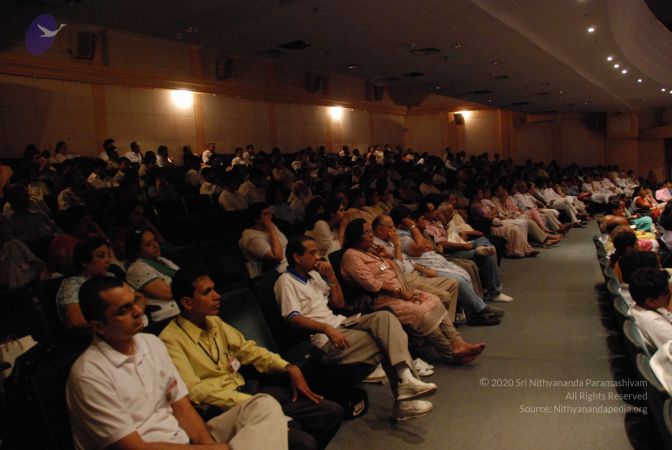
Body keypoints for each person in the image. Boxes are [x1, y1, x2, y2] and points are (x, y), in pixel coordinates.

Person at [66, 276, 288, 450]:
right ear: (98, 326)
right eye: (124, 310)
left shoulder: (151, 343)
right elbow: (133, 447)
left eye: (134, 301)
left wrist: (209, 446)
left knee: (263, 405)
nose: (138, 311)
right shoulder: (89, 375)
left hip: (182, 439)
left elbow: (182, 408)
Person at [161, 269, 343, 450]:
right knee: (304, 443)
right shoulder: (170, 340)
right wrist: (252, 404)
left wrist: (288, 367)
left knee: (331, 412)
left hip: (248, 393)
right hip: (221, 409)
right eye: (207, 292)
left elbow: (248, 350)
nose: (217, 296)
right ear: (187, 302)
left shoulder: (214, 321)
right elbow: (195, 391)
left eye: (214, 289)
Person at [276, 236, 441, 421]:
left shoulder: (314, 275)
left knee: (385, 317)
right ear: (297, 257)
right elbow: (292, 318)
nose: (317, 257)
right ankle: (405, 397)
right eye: (312, 253)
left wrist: (331, 277)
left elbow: (338, 303)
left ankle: (406, 379)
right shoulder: (285, 281)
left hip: (341, 322)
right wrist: (327, 329)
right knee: (386, 340)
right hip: (324, 338)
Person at [340, 219, 487, 362]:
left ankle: (458, 342)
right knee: (421, 312)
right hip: (383, 299)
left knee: (434, 300)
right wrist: (399, 292)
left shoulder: (371, 252)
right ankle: (450, 352)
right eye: (366, 232)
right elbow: (371, 284)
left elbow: (397, 268)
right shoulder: (351, 256)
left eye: (370, 231)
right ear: (355, 236)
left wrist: (387, 256)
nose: (371, 235)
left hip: (401, 290)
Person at [56, 237, 128, 329]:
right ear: (85, 261)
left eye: (108, 255)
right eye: (101, 256)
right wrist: (115, 322)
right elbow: (75, 320)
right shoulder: (73, 285)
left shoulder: (110, 276)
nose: (108, 261)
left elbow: (137, 296)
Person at [125, 228, 181, 321]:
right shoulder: (136, 268)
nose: (155, 245)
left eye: (155, 240)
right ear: (137, 251)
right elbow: (168, 293)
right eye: (148, 244)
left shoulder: (163, 260)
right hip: (168, 315)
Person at [239, 203, 288, 278]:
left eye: (270, 213)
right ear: (255, 219)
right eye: (266, 214)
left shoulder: (271, 226)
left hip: (288, 263)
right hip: (275, 273)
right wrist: (272, 231)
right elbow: (278, 256)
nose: (271, 216)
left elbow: (285, 243)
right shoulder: (252, 238)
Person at [627, 267, 672, 349]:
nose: (670, 293)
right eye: (666, 291)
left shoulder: (639, 306)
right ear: (650, 301)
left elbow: (669, 316)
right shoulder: (655, 323)